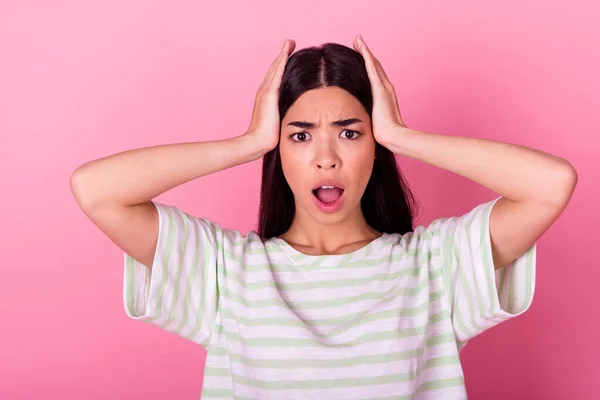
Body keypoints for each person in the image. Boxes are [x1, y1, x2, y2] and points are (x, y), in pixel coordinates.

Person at [70, 35, 577, 399]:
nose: (325, 157)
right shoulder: (227, 270)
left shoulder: (435, 266)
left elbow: (550, 185)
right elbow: (96, 190)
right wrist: (247, 143)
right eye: (300, 134)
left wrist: (402, 135)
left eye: (351, 132)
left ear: (374, 146)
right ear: (280, 151)